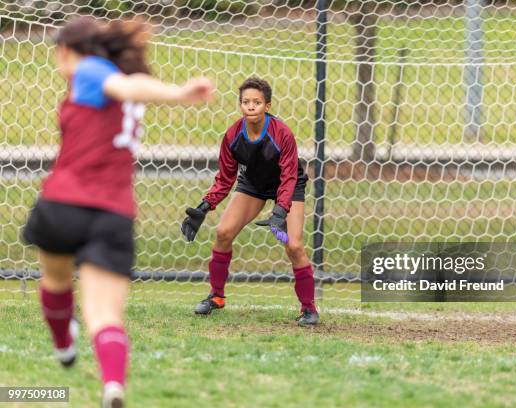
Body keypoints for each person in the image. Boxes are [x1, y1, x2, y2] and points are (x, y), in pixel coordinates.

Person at [22, 16, 214, 408]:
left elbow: (126, 85)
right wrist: (178, 93)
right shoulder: (116, 87)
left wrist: (178, 93)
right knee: (104, 315)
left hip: (64, 204)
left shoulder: (91, 70)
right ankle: (113, 385)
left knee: (56, 281)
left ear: (65, 52)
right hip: (113, 214)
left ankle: (63, 344)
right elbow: (133, 88)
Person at [181, 77, 320, 326]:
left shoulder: (282, 134)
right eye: (246, 101)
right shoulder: (233, 135)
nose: (251, 106)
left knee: (294, 246)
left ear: (267, 105)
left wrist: (281, 209)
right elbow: (225, 178)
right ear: (240, 105)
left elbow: (289, 177)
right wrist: (204, 207)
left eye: (257, 102)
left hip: (287, 186)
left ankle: (309, 309)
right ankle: (217, 296)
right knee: (223, 233)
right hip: (253, 185)